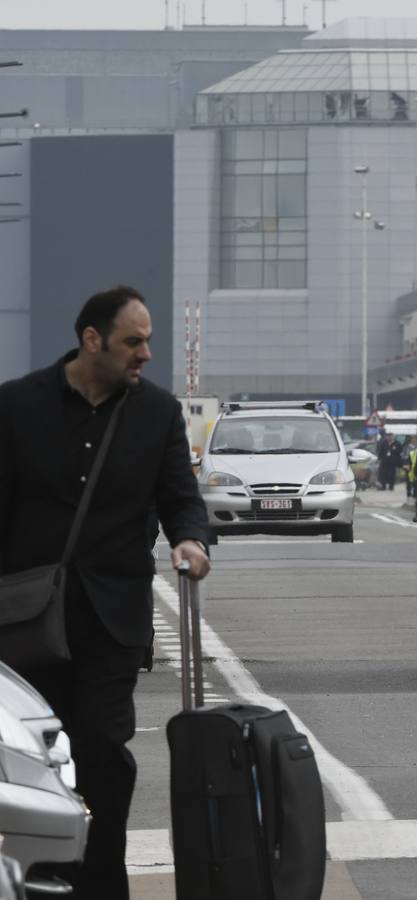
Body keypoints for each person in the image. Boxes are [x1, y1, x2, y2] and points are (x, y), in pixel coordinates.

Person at [0, 285, 211, 899]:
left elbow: (180, 499)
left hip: (111, 624)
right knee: (29, 754)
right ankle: (38, 879)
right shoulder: (16, 407)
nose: (145, 354)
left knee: (103, 753)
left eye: (147, 341)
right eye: (133, 342)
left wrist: (191, 542)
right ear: (92, 341)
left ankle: (100, 885)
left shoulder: (157, 413)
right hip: (25, 622)